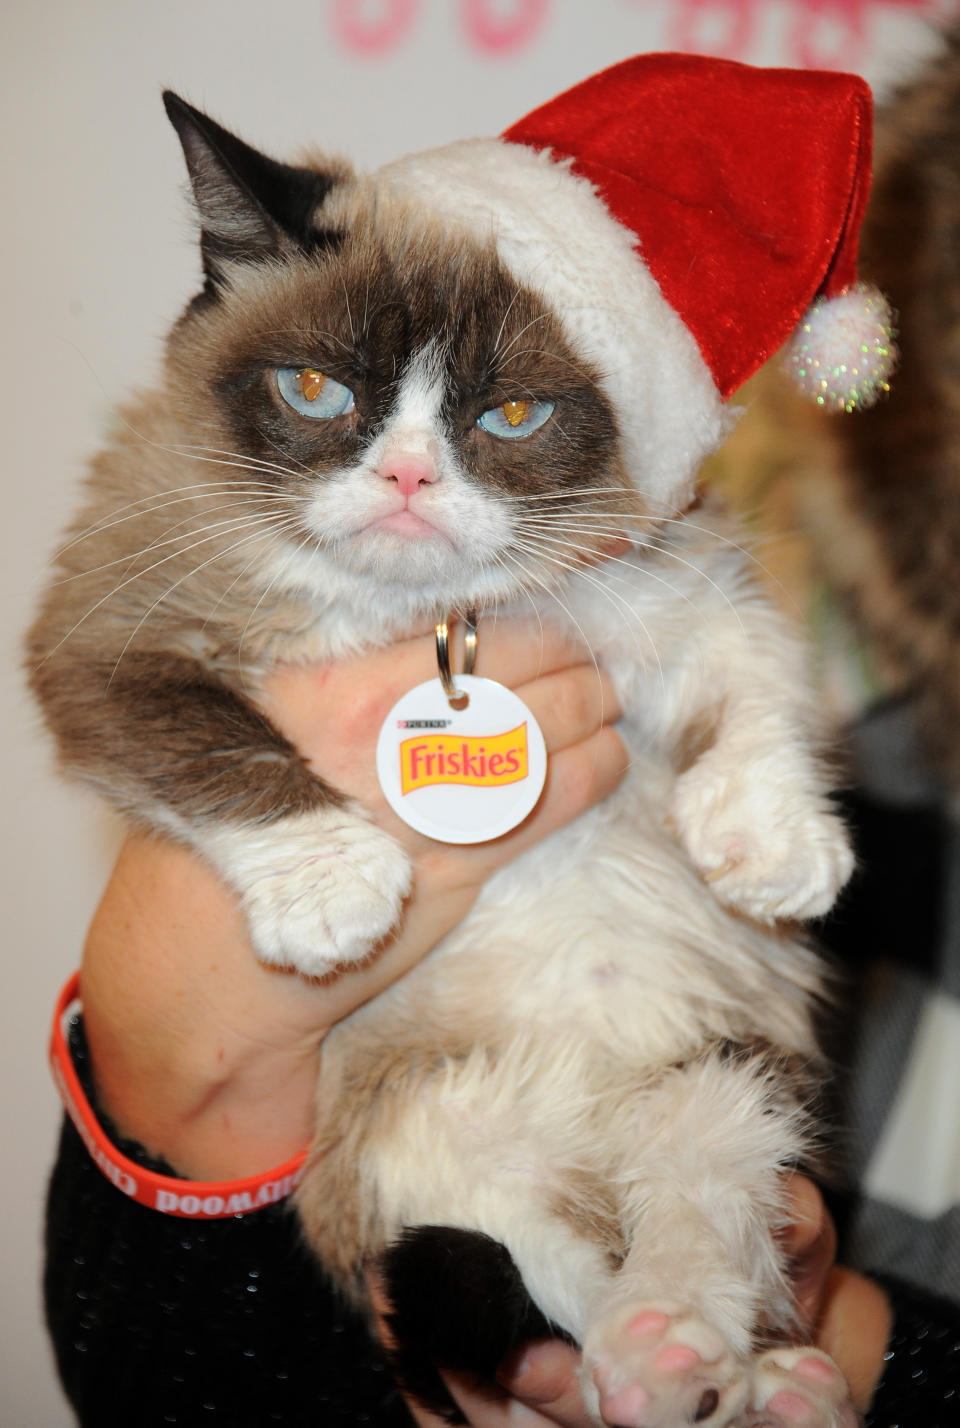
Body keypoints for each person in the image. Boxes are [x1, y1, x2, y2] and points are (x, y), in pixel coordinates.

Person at [44, 619, 953, 1426]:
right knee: (463, 1188)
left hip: (682, 1101)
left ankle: (669, 1326)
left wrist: (855, 1341)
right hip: (437, 1140)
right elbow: (163, 1390)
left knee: (713, 1133)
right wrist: (162, 1065)